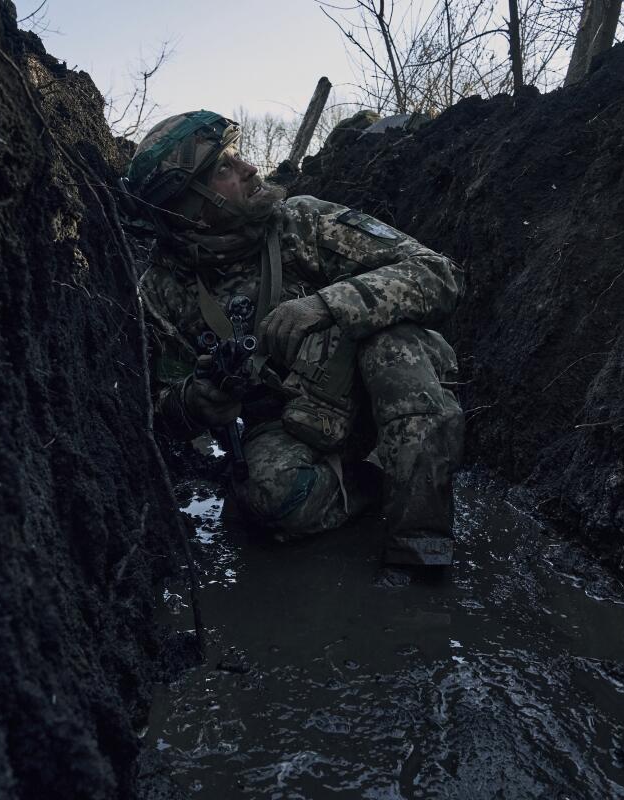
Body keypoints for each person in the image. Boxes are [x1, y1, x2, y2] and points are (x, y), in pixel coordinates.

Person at [122, 110, 465, 570]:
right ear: (189, 210)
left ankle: (422, 548)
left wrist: (327, 304)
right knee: (267, 498)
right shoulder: (162, 290)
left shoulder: (302, 222)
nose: (248, 168)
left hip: (378, 392)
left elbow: (436, 272)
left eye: (236, 155)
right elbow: (154, 408)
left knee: (394, 349)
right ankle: (381, 482)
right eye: (222, 168)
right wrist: (196, 402)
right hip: (294, 425)